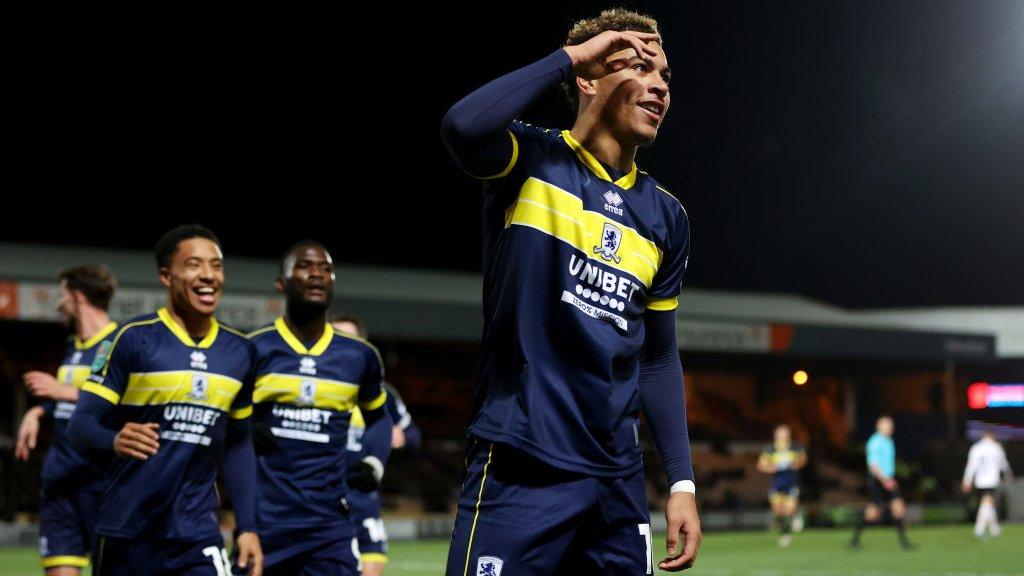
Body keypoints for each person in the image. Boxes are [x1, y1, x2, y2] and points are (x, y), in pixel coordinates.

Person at [441, 8, 699, 574]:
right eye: (638, 66)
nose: (659, 85)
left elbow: (658, 357)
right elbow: (463, 126)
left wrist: (680, 481)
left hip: (617, 484)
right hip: (520, 463)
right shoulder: (530, 161)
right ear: (587, 77)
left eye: (666, 76)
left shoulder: (666, 217)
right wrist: (569, 57)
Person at [68, 225, 263, 575]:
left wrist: (247, 525)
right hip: (125, 530)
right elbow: (81, 425)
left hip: (196, 533)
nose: (208, 275)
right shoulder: (130, 339)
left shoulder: (241, 352)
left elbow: (238, 442)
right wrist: (113, 439)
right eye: (193, 264)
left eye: (216, 266)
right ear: (165, 275)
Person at [247, 241, 390, 575]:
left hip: (331, 526)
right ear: (281, 283)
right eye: (304, 267)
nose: (316, 275)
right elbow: (225, 420)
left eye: (325, 269)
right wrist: (244, 428)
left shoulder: (360, 356)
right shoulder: (254, 348)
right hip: (266, 524)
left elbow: (380, 420)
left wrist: (374, 462)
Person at [15, 265, 118, 575]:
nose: (59, 303)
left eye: (62, 295)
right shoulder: (74, 346)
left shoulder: (118, 343)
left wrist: (64, 391)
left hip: (101, 484)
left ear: (77, 296)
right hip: (60, 481)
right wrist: (38, 411)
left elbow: (127, 403)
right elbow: (68, 402)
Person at [332, 315, 421, 575]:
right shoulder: (316, 386)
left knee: (373, 555)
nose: (344, 344)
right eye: (337, 337)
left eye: (351, 338)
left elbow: (413, 434)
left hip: (363, 497)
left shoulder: (383, 395)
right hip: (319, 496)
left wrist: (403, 437)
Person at [850, 416, 913, 550]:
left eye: (891, 425)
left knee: (899, 508)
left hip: (888, 479)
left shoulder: (889, 441)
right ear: (879, 426)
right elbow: (873, 466)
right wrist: (885, 480)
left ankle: (904, 542)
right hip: (877, 481)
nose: (891, 427)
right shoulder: (874, 442)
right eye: (888, 425)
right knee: (874, 512)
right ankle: (854, 540)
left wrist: (890, 478)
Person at [756, 424, 806, 547]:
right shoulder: (770, 449)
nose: (783, 436)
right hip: (777, 483)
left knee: (788, 510)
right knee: (778, 509)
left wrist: (796, 464)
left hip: (791, 483)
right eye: (780, 433)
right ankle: (785, 532)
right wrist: (771, 468)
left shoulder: (795, 447)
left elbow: (803, 459)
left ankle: (787, 531)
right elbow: (761, 465)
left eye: (785, 433)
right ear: (776, 435)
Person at [962, 432, 1014, 539]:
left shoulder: (976, 448)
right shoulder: (996, 447)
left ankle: (994, 528)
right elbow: (1004, 464)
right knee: (987, 503)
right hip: (992, 480)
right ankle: (979, 528)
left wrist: (966, 481)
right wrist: (1008, 475)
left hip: (980, 480)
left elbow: (971, 466)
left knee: (988, 503)